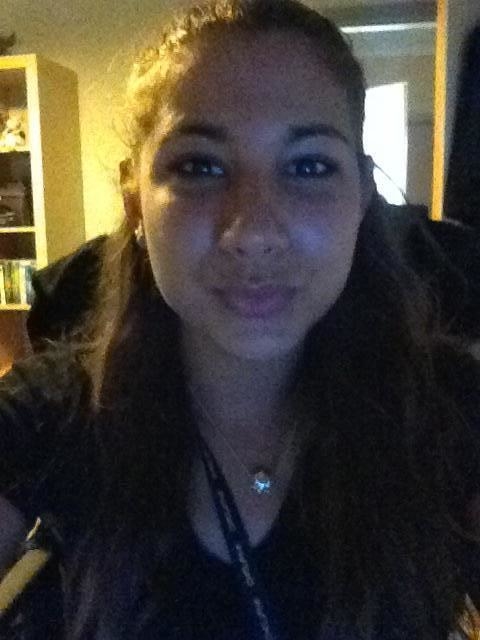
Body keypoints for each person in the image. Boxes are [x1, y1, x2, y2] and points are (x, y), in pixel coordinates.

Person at [0, 1, 479, 638]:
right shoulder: (53, 412)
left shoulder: (449, 410)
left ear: (362, 195)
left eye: (308, 166)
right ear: (135, 199)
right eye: (200, 166)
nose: (253, 233)